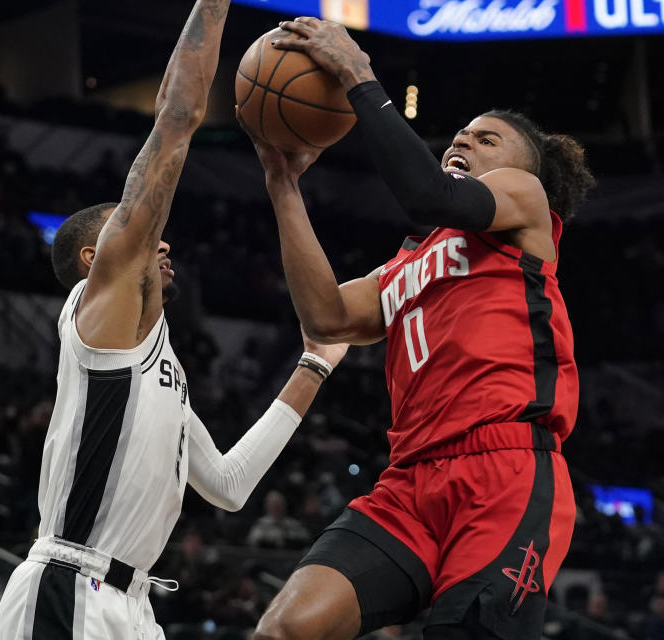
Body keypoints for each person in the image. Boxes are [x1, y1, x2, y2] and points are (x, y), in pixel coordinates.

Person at [0, 2, 349, 638]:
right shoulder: (93, 320)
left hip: (133, 604)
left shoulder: (159, 370)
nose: (160, 241)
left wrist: (316, 361)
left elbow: (229, 487)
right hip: (70, 586)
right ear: (92, 258)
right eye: (132, 231)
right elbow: (177, 120)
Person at [241, 17, 595, 640]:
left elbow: (430, 196)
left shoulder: (523, 199)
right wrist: (283, 184)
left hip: (505, 472)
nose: (463, 142)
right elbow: (325, 317)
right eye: (459, 136)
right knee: (285, 629)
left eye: (486, 139)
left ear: (521, 168)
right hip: (409, 481)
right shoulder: (408, 261)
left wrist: (357, 75)